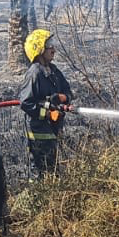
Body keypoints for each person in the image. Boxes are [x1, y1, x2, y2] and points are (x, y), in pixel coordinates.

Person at [17, 28, 73, 175]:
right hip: (39, 135)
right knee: (40, 173)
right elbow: (26, 102)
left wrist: (63, 98)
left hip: (53, 131)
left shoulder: (54, 71)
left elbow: (68, 92)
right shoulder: (34, 73)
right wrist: (47, 113)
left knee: (52, 171)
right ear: (39, 49)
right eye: (49, 45)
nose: (53, 49)